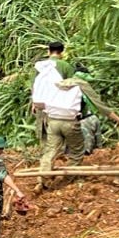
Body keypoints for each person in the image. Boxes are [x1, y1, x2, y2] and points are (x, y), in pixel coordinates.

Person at [61, 63, 119, 155]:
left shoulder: (62, 83)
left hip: (58, 122)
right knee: (92, 120)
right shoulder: (82, 83)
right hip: (80, 122)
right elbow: (101, 107)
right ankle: (92, 151)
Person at [38, 60, 86, 188]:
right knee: (77, 151)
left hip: (53, 121)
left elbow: (40, 102)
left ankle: (43, 179)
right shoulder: (81, 84)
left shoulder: (55, 83)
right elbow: (100, 106)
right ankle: (67, 180)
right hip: (70, 122)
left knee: (50, 150)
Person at [31, 41, 66, 145]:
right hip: (60, 105)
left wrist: (34, 103)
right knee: (59, 133)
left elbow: (34, 86)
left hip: (42, 104)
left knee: (44, 133)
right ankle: (59, 156)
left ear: (48, 51)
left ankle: (45, 156)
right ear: (62, 52)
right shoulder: (66, 66)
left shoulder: (40, 66)